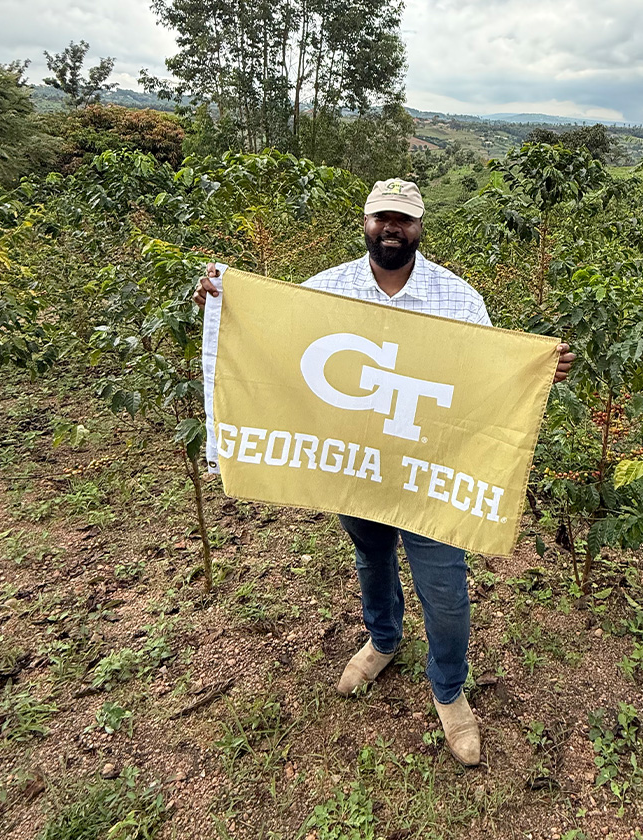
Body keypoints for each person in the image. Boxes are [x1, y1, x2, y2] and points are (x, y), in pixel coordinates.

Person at [194, 177, 574, 766]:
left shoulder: (459, 299)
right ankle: (383, 640)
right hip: (359, 466)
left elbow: (488, 377)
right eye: (381, 217)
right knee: (371, 557)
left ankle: (449, 690)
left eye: (403, 219)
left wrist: (536, 370)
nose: (391, 227)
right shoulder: (329, 289)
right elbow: (278, 334)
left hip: (430, 472)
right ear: (366, 223)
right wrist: (226, 306)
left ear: (419, 227)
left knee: (445, 590)